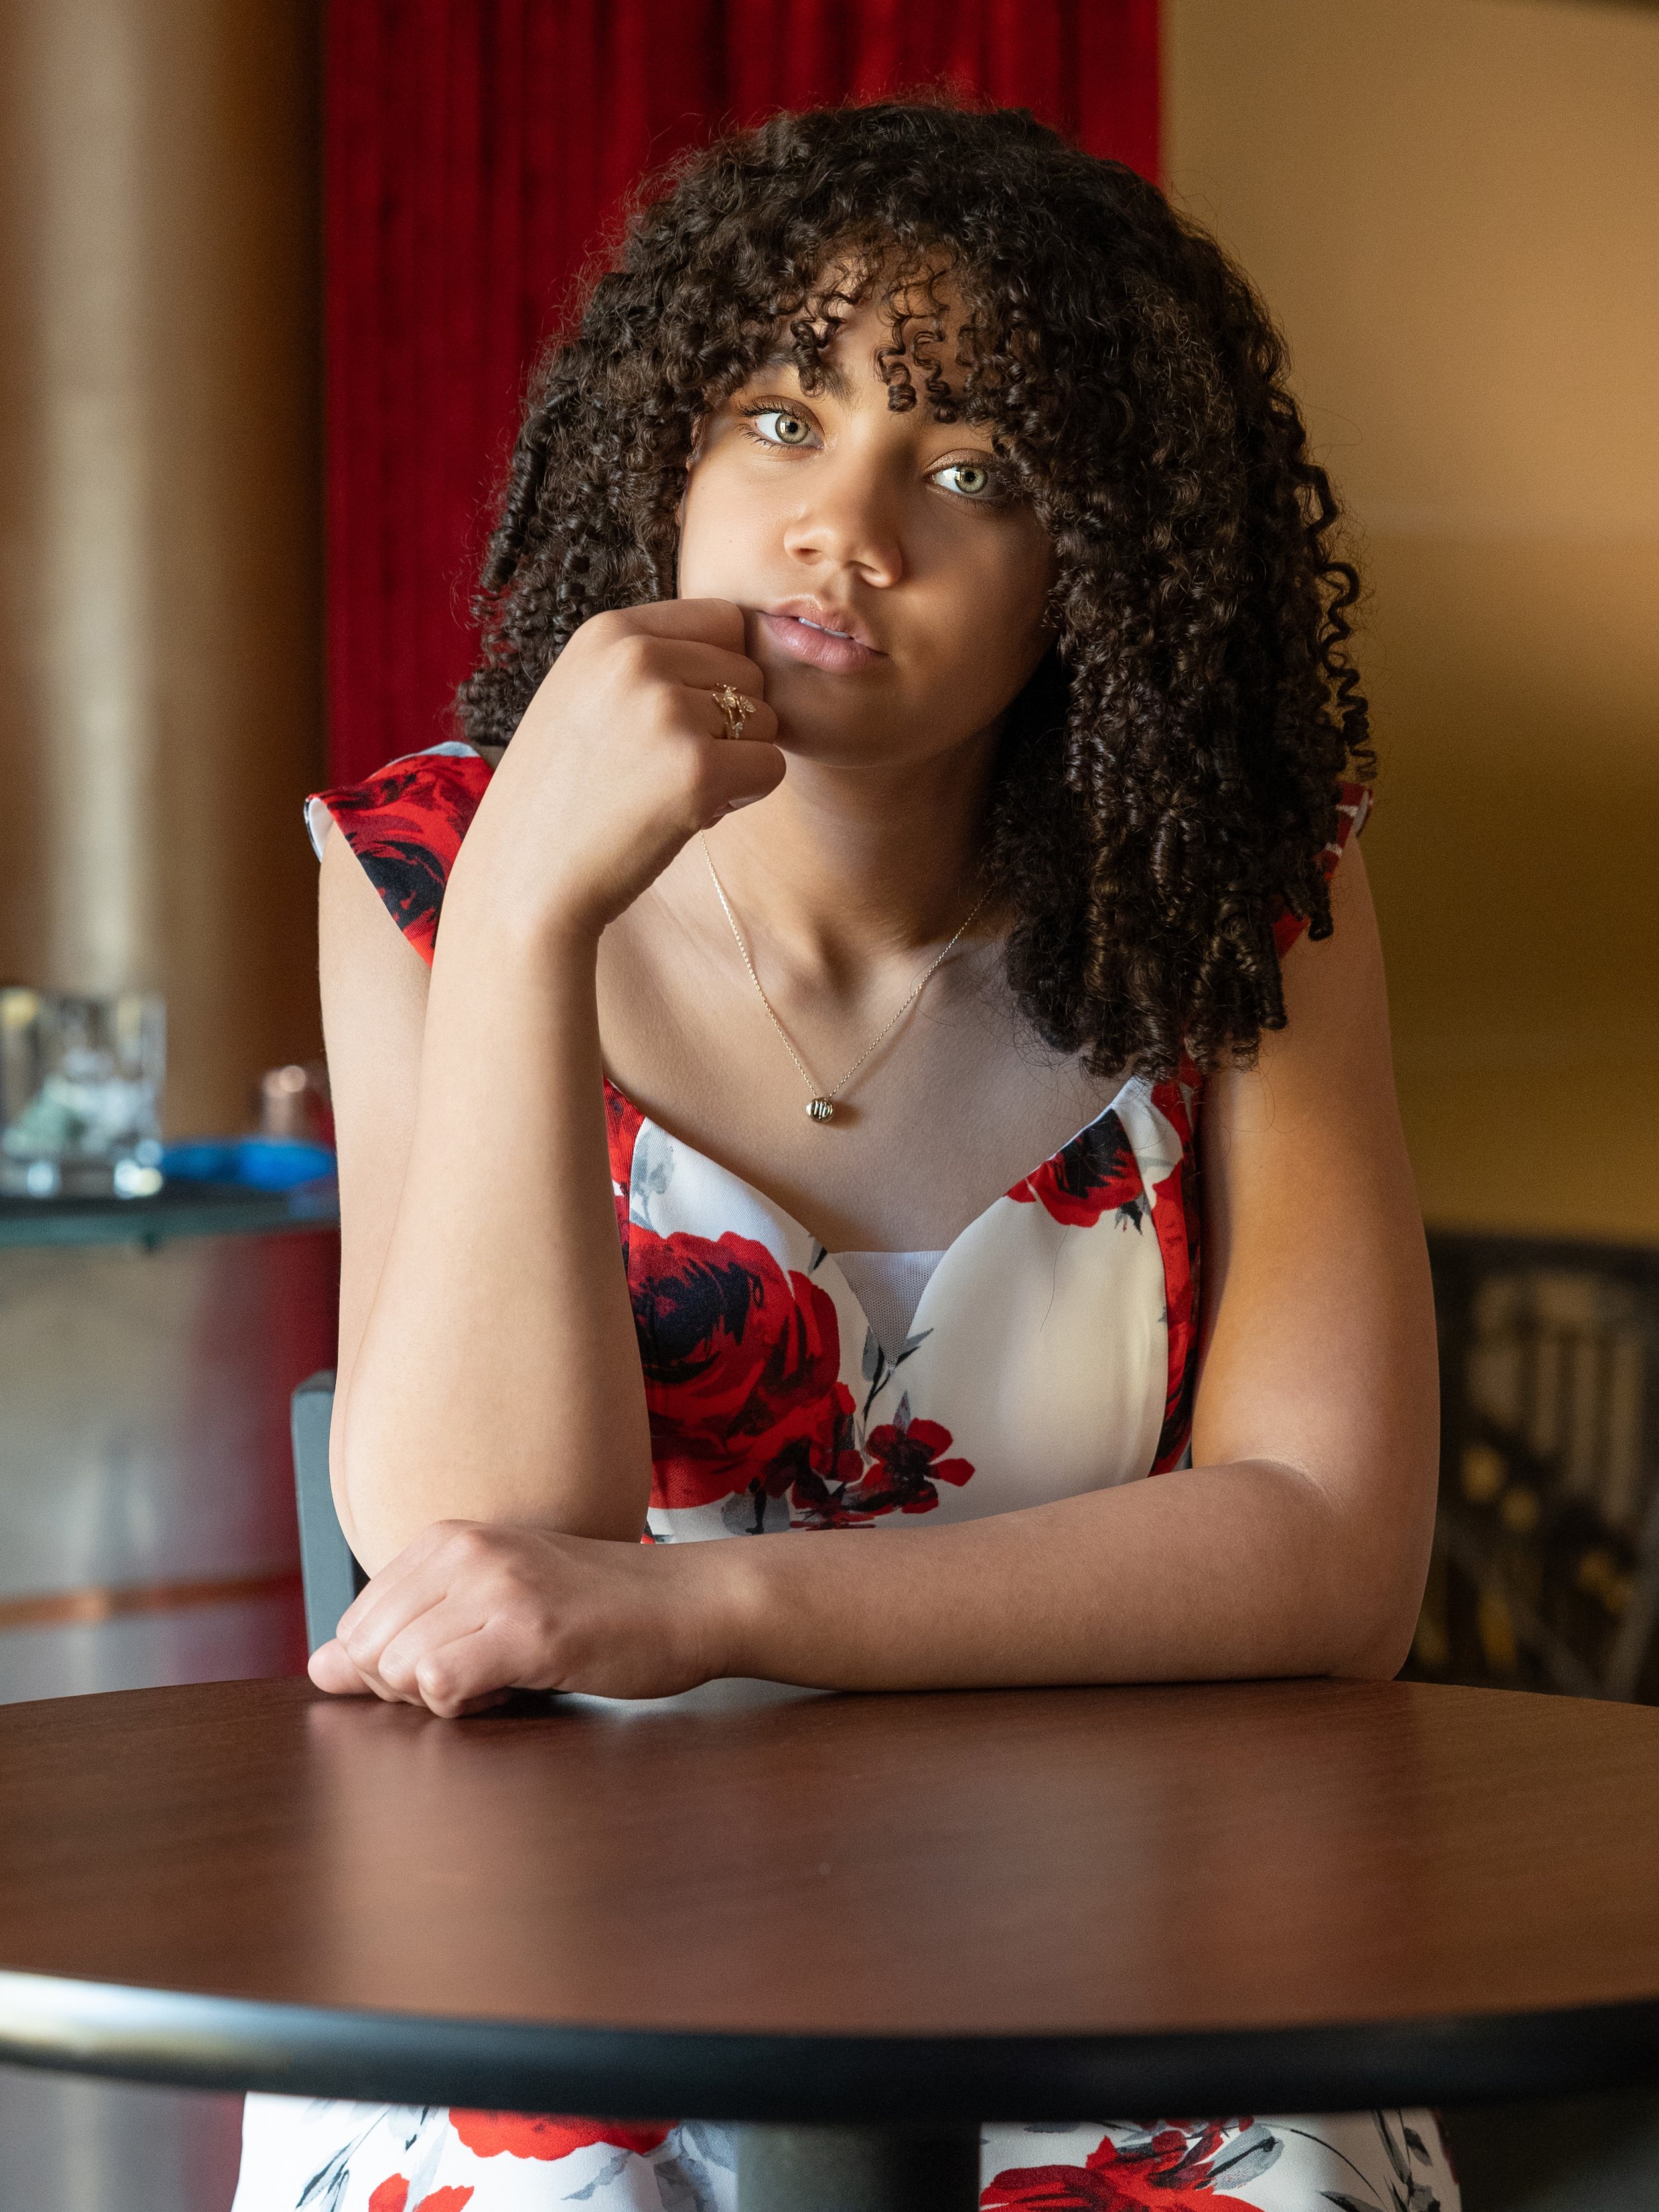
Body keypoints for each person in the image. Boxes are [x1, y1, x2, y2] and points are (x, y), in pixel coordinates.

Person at [234, 99, 1456, 2212]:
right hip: (552, 1924)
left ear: (1106, 566)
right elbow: (474, 1526)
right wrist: (531, 905)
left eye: (970, 472)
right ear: (668, 453)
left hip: (1134, 1919)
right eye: (781, 418)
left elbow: (1332, 1552)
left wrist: (710, 1613)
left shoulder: (1246, 891)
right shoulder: (433, 862)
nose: (845, 527)